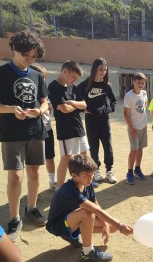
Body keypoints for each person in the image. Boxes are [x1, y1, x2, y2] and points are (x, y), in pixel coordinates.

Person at [0, 30, 49, 240]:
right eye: (26, 55)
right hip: (11, 133)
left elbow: (44, 101)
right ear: (15, 48)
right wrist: (12, 110)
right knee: (16, 175)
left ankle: (31, 207)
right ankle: (15, 218)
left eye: (33, 56)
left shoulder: (35, 74)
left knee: (34, 173)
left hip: (35, 130)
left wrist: (39, 111)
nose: (29, 60)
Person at [46, 154, 133, 262]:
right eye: (86, 175)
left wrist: (106, 225)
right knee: (87, 213)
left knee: (111, 228)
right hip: (57, 226)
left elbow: (96, 205)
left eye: (91, 174)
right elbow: (95, 210)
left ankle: (73, 236)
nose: (90, 178)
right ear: (74, 176)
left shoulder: (87, 183)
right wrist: (120, 226)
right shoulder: (69, 191)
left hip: (72, 220)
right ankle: (88, 252)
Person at [48, 60, 88, 188]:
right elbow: (64, 109)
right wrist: (74, 105)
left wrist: (73, 103)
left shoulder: (73, 88)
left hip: (79, 127)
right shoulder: (53, 87)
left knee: (84, 155)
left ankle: (84, 183)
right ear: (65, 71)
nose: (74, 81)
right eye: (73, 77)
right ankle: (59, 188)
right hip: (65, 129)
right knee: (66, 158)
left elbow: (84, 104)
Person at [77, 58, 117, 184]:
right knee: (93, 146)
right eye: (101, 69)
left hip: (104, 120)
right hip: (91, 120)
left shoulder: (106, 86)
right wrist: (84, 110)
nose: (103, 72)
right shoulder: (84, 85)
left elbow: (114, 101)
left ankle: (109, 170)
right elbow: (75, 100)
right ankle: (96, 170)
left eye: (105, 69)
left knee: (107, 145)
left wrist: (109, 109)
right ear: (95, 69)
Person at [30, 63, 57, 190]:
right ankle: (33, 186)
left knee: (49, 157)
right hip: (32, 132)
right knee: (33, 163)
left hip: (46, 130)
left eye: (44, 78)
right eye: (39, 78)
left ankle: (53, 181)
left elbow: (49, 109)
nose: (42, 81)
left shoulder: (46, 94)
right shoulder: (28, 95)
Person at [123, 72, 148, 185]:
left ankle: (137, 169)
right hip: (134, 128)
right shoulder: (129, 96)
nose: (141, 85)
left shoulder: (144, 93)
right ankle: (129, 172)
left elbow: (144, 105)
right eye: (139, 82)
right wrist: (132, 129)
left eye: (142, 83)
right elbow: (126, 113)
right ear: (133, 82)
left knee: (140, 148)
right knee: (134, 150)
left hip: (143, 126)